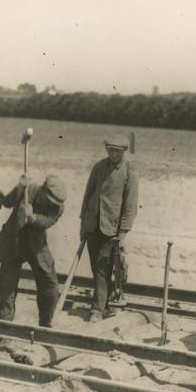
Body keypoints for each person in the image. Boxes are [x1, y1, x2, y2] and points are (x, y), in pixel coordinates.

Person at [79, 133, 139, 323]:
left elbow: (130, 204)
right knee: (97, 268)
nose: (112, 154)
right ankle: (108, 301)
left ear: (124, 151)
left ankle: (97, 309)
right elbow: (87, 195)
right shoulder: (98, 167)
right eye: (110, 150)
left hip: (111, 229)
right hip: (92, 224)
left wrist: (123, 231)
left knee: (103, 268)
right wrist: (83, 223)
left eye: (117, 151)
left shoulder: (129, 171)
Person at [0, 174, 67, 327]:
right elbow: (7, 202)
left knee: (50, 285)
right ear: (43, 189)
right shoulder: (30, 189)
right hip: (13, 241)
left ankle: (45, 324)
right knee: (7, 288)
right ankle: (4, 327)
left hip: (36, 246)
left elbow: (48, 221)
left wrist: (32, 217)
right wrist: (20, 187)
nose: (51, 204)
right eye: (49, 200)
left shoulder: (59, 207)